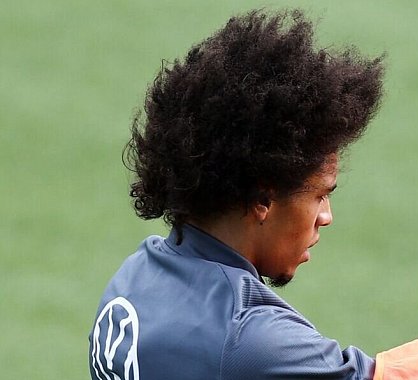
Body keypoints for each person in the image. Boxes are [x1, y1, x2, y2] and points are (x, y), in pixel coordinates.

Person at [88, 9, 382, 379]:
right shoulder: (250, 339)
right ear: (263, 200)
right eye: (319, 195)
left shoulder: (131, 283)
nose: (326, 216)